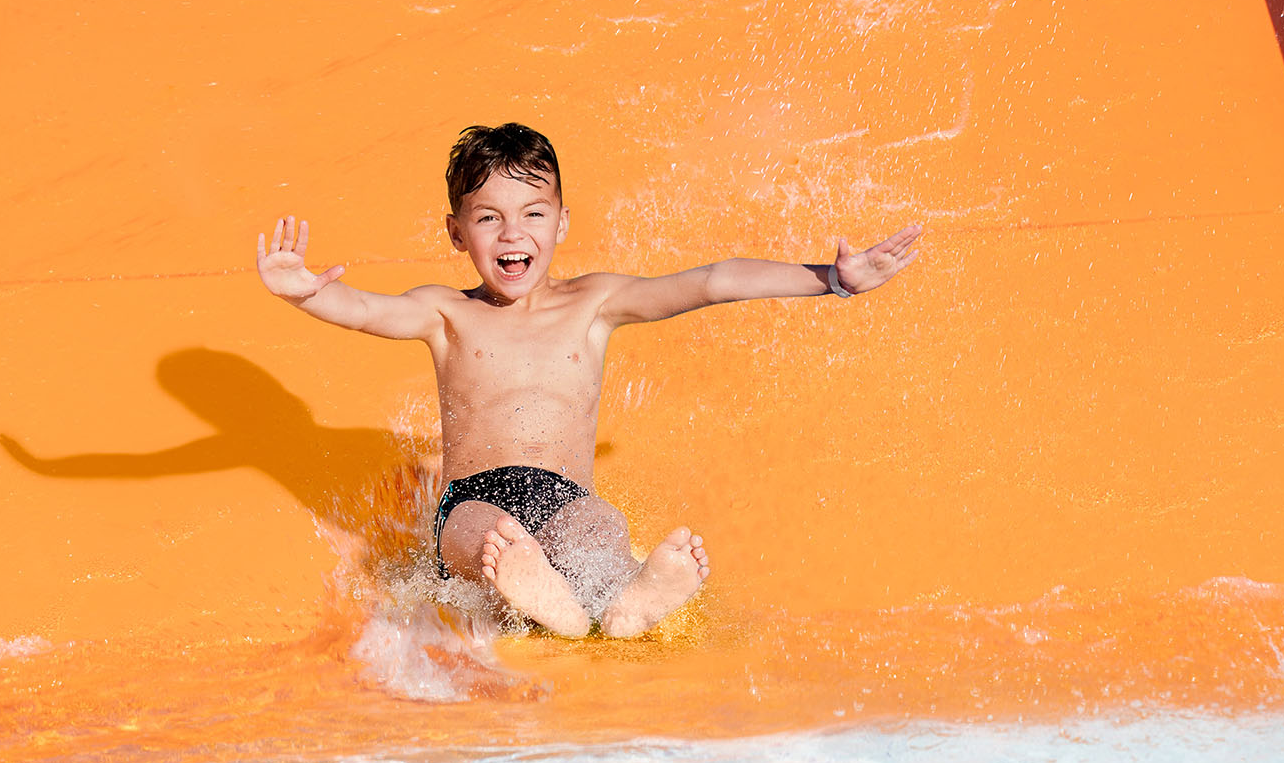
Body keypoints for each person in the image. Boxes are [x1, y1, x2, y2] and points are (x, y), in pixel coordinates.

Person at [256, 123, 920, 638]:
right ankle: (541, 590)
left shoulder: (594, 304)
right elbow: (365, 310)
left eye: (533, 213)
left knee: (597, 529)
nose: (512, 233)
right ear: (456, 232)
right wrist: (304, 292)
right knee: (484, 538)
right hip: (473, 497)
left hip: (565, 494)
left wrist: (831, 279)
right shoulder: (445, 312)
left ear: (563, 222)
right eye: (488, 218)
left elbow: (711, 281)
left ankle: (627, 597)